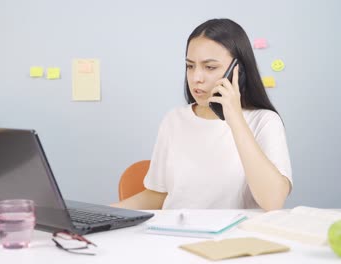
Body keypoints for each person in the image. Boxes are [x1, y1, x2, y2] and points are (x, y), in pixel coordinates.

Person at [113, 18, 292, 211]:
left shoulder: (264, 121)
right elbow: (158, 195)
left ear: (237, 71)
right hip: (172, 236)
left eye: (210, 67)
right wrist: (103, 214)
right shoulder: (173, 120)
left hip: (233, 238)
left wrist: (236, 120)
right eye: (190, 66)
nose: (196, 78)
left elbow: (273, 202)